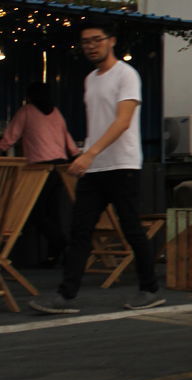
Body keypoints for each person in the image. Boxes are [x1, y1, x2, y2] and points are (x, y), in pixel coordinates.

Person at [30, 19, 164, 314]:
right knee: (80, 230)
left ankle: (150, 288)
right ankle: (66, 296)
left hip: (123, 164)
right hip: (95, 166)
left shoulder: (127, 75)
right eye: (86, 42)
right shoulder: (90, 79)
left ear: (111, 40)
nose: (91, 46)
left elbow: (122, 121)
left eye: (96, 40)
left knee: (131, 228)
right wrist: (84, 152)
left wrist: (90, 153)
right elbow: (98, 123)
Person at [0, 81, 79, 263]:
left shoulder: (26, 111)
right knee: (53, 213)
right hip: (60, 167)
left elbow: (9, 138)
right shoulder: (57, 113)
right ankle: (54, 256)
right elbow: (69, 143)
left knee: (36, 213)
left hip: (39, 168)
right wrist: (76, 156)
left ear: (29, 96)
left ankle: (60, 244)